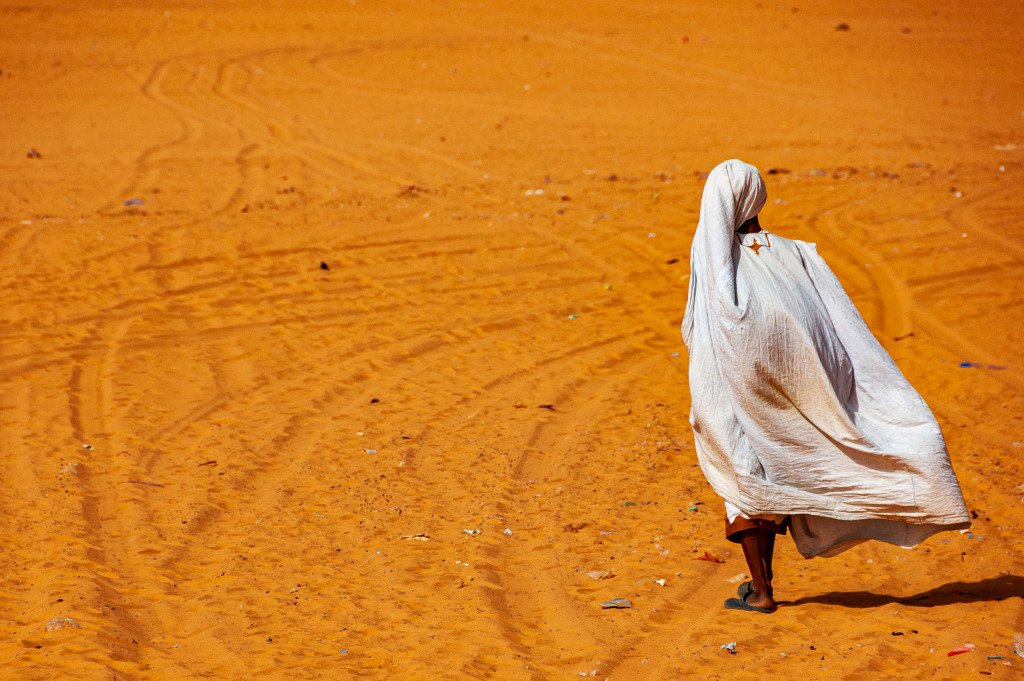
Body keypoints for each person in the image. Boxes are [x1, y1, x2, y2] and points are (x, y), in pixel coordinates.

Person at [681, 160, 970, 613]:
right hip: (801, 389)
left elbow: (710, 327)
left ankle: (761, 590)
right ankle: (764, 584)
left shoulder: (715, 260)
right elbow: (838, 327)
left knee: (743, 480)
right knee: (766, 478)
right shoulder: (796, 254)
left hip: (738, 389)